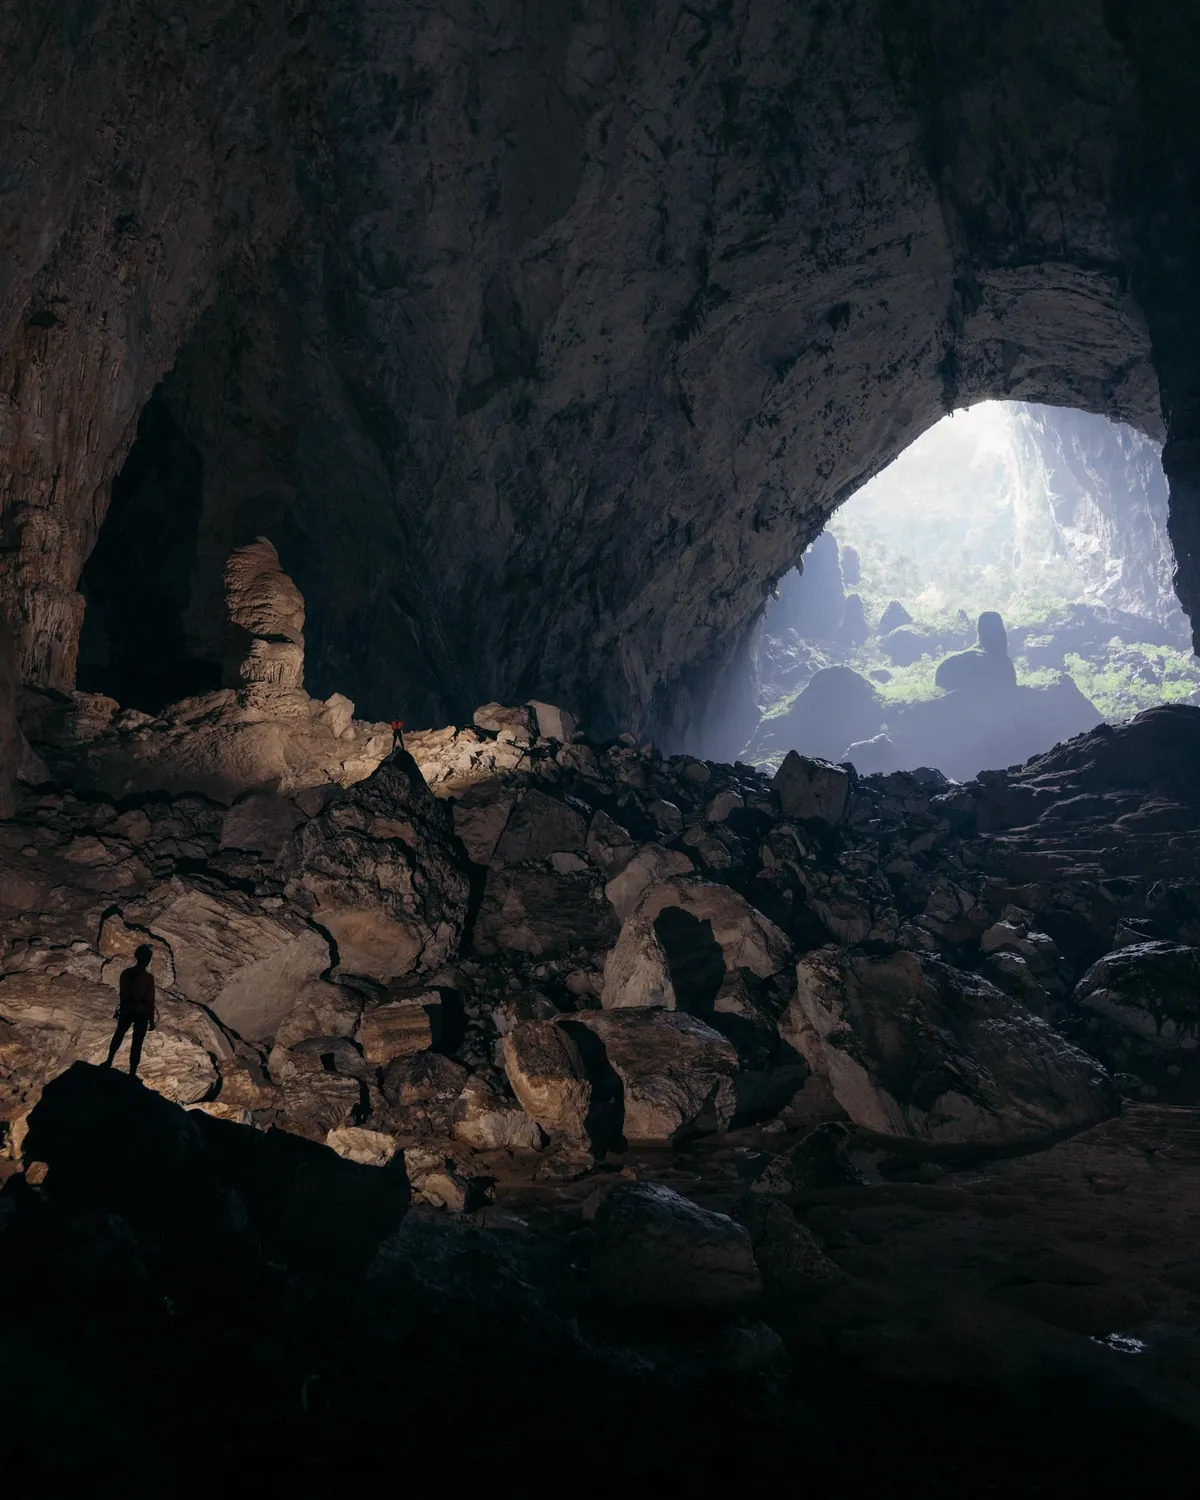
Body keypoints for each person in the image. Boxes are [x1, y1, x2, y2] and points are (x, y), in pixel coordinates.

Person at [104, 944, 157, 1077]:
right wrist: (151, 1019)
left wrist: (123, 1009)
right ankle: (132, 1073)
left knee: (119, 1035)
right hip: (141, 1013)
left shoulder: (126, 973)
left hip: (128, 1010)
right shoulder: (148, 978)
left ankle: (109, 1060)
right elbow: (150, 999)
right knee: (137, 1043)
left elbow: (123, 994)